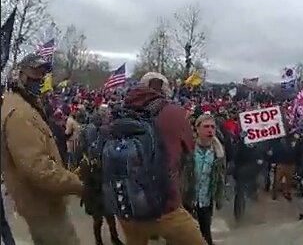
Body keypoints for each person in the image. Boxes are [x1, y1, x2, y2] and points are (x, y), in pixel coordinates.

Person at [1, 53, 83, 245]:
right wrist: (78, 185)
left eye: (42, 74)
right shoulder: (20, 114)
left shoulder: (24, 105)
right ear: (19, 75)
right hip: (42, 208)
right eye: (34, 73)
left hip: (40, 204)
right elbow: (38, 168)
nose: (39, 79)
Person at [116, 72, 207, 245]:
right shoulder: (174, 112)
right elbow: (189, 149)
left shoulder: (120, 111)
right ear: (165, 90)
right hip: (165, 204)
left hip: (127, 202)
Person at [77, 112, 124, 245]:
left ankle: (113, 238)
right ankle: (100, 241)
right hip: (95, 192)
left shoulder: (102, 154)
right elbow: (86, 182)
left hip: (101, 190)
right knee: (99, 220)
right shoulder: (87, 162)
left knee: (109, 218)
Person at [183, 114, 226, 245]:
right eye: (206, 126)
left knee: (206, 236)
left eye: (212, 127)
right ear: (197, 128)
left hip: (206, 202)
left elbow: (220, 177)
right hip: (187, 200)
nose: (210, 130)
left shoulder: (219, 152)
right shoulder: (188, 149)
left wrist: (219, 197)